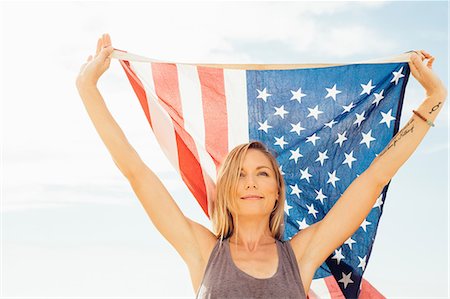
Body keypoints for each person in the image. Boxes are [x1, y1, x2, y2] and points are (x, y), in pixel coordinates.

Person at [76, 33, 447, 298]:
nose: (250, 182)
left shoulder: (300, 255)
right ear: (226, 191)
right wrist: (88, 89)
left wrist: (434, 99)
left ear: (275, 193)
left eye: (262, 173)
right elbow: (137, 173)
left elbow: (374, 178)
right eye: (239, 173)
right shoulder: (203, 251)